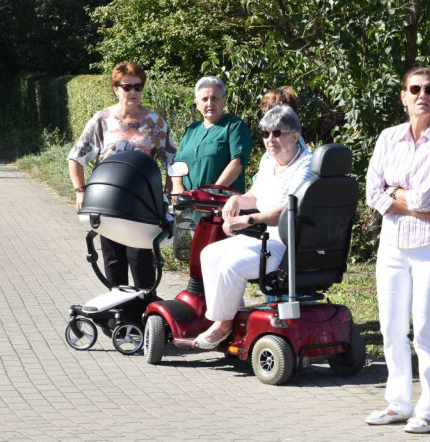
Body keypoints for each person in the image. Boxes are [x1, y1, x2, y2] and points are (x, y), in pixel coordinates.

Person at [364, 66, 430, 435]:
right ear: (403, 96)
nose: (423, 94)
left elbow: (428, 196)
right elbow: (373, 193)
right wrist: (403, 198)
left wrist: (394, 192)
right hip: (393, 244)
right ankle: (398, 402)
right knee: (391, 328)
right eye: (415, 88)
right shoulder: (388, 137)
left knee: (426, 330)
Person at [194, 105, 314, 349]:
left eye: (277, 133)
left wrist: (248, 220)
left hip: (285, 243)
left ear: (295, 135)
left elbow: (287, 211)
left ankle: (222, 325)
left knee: (230, 266)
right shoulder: (268, 160)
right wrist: (236, 199)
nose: (270, 140)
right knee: (208, 254)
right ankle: (234, 317)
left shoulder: (305, 165)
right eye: (265, 134)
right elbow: (253, 195)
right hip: (261, 236)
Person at [67, 62, 175, 294]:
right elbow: (76, 157)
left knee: (142, 266)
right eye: (127, 87)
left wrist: (167, 198)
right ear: (116, 88)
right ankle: (120, 322)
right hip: (109, 204)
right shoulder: (102, 120)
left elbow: (172, 163)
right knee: (114, 264)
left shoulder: (156, 123)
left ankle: (146, 320)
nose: (133, 92)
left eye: (138, 86)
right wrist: (80, 192)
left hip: (143, 207)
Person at [171, 76, 252, 193]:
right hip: (188, 205)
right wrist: (177, 186)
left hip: (220, 205)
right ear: (197, 103)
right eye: (204, 99)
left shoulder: (234, 126)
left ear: (224, 101)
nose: (210, 103)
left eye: (215, 98)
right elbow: (178, 162)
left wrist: (212, 192)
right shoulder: (191, 130)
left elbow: (238, 163)